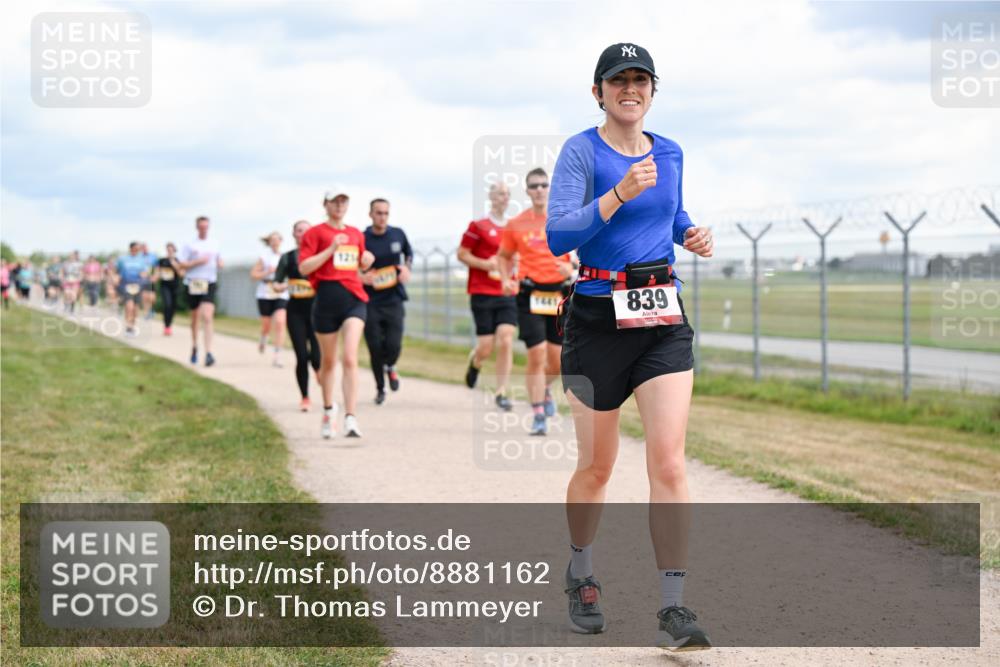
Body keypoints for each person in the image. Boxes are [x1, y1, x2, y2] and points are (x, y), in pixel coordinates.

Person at [546, 43, 715, 651]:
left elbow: (668, 215)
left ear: (651, 90)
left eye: (641, 79)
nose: (630, 88)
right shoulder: (580, 151)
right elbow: (558, 233)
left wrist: (690, 232)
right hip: (595, 318)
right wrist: (616, 192)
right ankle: (581, 570)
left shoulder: (668, 151)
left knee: (668, 461)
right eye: (619, 80)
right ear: (598, 92)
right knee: (597, 466)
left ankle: (673, 605)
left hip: (661, 314)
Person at [497, 168, 575, 435]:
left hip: (559, 295)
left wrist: (573, 266)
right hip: (529, 294)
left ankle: (543, 390)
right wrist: (507, 278)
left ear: (549, 188)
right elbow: (504, 256)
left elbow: (580, 254)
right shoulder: (516, 224)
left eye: (543, 184)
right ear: (528, 191)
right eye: (534, 186)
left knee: (558, 361)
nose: (539, 189)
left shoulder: (565, 219)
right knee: (537, 352)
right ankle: (538, 412)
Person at [298, 190, 374, 439]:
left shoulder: (356, 233)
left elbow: (359, 265)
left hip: (354, 299)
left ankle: (351, 417)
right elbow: (304, 267)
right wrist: (331, 248)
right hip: (326, 301)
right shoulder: (315, 233)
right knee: (329, 362)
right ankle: (329, 410)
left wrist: (366, 260)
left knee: (350, 357)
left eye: (344, 201)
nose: (340, 205)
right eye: (335, 201)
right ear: (325, 204)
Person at [457, 182, 517, 411]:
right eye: (500, 193)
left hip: (506, 291)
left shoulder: (513, 227)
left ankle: (501, 391)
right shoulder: (478, 225)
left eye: (507, 194)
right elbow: (462, 254)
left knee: (506, 338)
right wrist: (484, 264)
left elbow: (517, 256)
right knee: (486, 347)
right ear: (491, 197)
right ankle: (476, 362)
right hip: (482, 291)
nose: (504, 197)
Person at [360, 198, 413, 405]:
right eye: (378, 213)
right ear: (371, 214)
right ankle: (380, 388)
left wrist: (407, 268)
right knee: (374, 346)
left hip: (393, 298)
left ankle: (391, 366)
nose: (382, 217)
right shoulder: (363, 238)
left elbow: (408, 254)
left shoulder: (398, 234)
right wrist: (361, 275)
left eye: (385, 213)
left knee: (393, 344)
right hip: (369, 300)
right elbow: (352, 263)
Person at [274, 220, 321, 412]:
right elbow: (276, 283)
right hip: (295, 311)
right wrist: (285, 286)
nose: (303, 234)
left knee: (316, 357)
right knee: (302, 356)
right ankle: (305, 397)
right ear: (294, 234)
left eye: (307, 231)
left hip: (317, 311)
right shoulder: (287, 258)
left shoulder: (319, 256)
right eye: (299, 231)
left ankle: (318, 369)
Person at [178, 216, 223, 367]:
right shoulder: (189, 244)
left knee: (208, 316)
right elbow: (181, 265)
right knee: (195, 318)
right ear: (197, 227)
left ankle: (209, 353)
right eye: (201, 227)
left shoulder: (215, 243)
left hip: (209, 281)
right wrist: (197, 261)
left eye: (206, 227)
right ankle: (195, 346)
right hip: (193, 282)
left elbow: (219, 260)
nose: (204, 229)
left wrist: (220, 263)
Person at [250, 231, 289, 367]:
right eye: (272, 240)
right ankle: (263, 338)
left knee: (280, 322)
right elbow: (253, 275)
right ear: (269, 242)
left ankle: (277, 356)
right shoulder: (264, 257)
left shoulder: (285, 256)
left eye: (277, 240)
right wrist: (268, 272)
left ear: (281, 241)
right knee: (266, 325)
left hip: (281, 293)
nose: (275, 242)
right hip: (265, 292)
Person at [116, 242, 149, 336]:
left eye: (138, 249)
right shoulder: (123, 259)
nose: (137, 251)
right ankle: (128, 327)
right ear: (131, 248)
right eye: (135, 249)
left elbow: (145, 272)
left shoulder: (142, 260)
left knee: (135, 308)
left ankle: (133, 325)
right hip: (126, 285)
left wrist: (143, 275)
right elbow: (117, 271)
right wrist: (116, 278)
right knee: (129, 306)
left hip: (138, 285)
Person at [155, 243, 182, 335]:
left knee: (172, 307)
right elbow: (158, 272)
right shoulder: (162, 260)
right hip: (164, 286)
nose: (169, 251)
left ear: (174, 250)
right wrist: (154, 278)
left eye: (171, 250)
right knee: (167, 304)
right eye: (168, 250)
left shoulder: (178, 260)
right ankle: (166, 326)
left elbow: (181, 274)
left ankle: (169, 325)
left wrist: (173, 263)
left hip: (174, 286)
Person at [139, 243, 158, 320]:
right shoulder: (139, 257)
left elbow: (157, 267)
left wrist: (155, 276)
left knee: (152, 297)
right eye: (143, 247)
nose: (144, 249)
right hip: (142, 279)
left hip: (151, 278)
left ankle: (152, 309)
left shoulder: (153, 256)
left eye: (145, 247)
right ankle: (147, 313)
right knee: (144, 297)